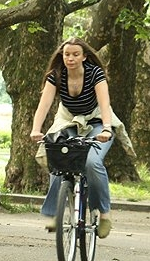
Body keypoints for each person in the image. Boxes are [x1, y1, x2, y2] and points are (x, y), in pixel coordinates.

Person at [29, 38, 127, 239]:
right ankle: (53, 213)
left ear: (84, 56)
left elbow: (104, 103)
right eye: (67, 54)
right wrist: (36, 129)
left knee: (92, 163)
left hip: (98, 121)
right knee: (58, 159)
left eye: (75, 54)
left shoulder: (94, 73)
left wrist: (107, 129)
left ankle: (104, 213)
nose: (70, 58)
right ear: (62, 56)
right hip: (69, 121)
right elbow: (44, 104)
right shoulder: (56, 76)